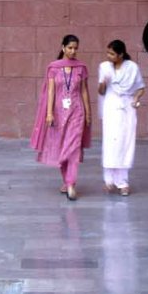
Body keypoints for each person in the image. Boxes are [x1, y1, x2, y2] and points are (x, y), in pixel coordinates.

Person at [31, 34, 91, 201]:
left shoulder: (81, 68)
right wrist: (49, 113)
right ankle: (66, 180)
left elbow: (84, 91)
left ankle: (71, 183)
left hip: (77, 112)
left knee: (72, 147)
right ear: (63, 47)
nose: (73, 51)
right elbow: (51, 91)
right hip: (58, 113)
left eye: (75, 48)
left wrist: (88, 112)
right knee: (61, 145)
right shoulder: (53, 68)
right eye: (70, 48)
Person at [97, 39, 145, 196]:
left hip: (127, 109)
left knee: (125, 144)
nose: (108, 56)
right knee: (111, 143)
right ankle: (109, 180)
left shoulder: (132, 68)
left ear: (121, 54)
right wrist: (104, 82)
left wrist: (136, 99)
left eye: (112, 53)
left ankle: (123, 182)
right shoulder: (104, 67)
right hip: (111, 108)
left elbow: (141, 88)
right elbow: (101, 91)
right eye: (107, 53)